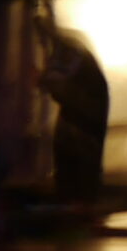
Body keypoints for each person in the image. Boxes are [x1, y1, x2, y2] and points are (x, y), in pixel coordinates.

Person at [40, 35, 110, 203]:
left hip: (79, 154)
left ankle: (78, 207)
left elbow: (61, 87)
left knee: (76, 183)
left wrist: (44, 79)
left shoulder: (74, 58)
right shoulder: (88, 76)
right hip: (80, 149)